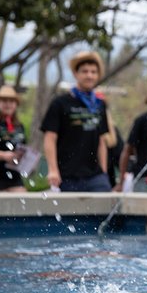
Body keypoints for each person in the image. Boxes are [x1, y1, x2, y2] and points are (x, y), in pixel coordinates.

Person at [39, 51, 111, 192]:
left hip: (95, 177)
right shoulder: (60, 103)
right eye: (84, 71)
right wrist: (53, 170)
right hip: (66, 175)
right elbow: (49, 138)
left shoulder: (99, 104)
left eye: (93, 72)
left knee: (105, 210)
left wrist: (104, 171)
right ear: (76, 74)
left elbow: (102, 140)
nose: (89, 75)